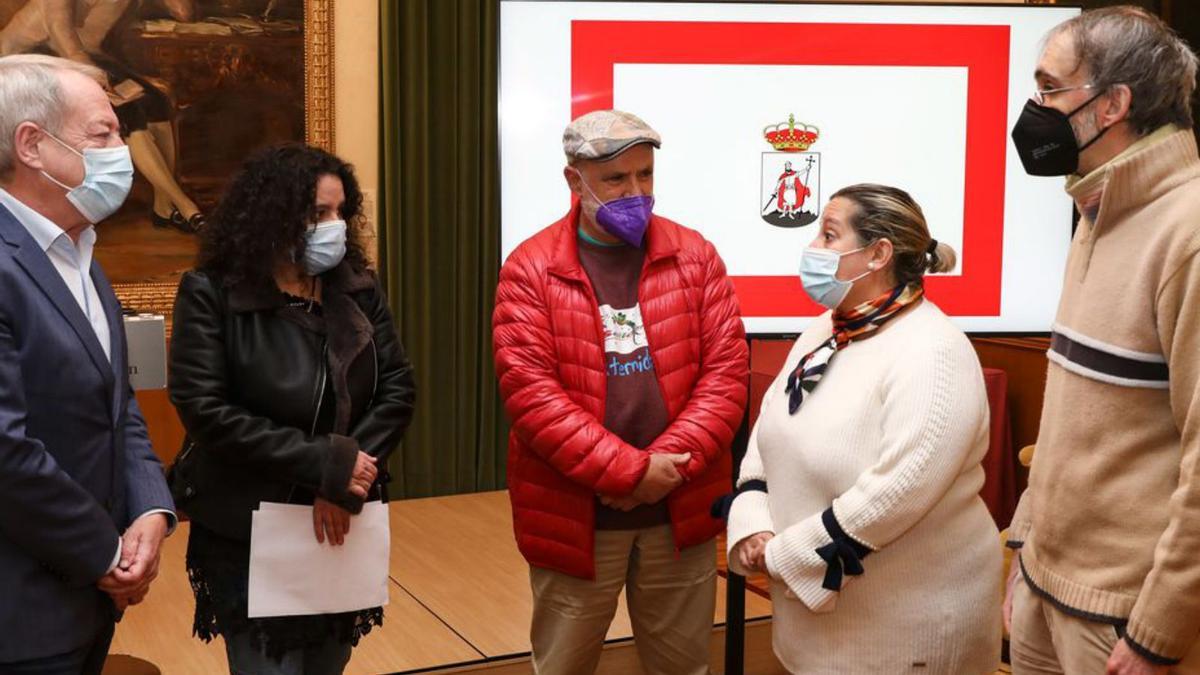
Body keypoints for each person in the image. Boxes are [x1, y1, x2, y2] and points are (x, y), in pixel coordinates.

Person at [492, 109, 749, 675]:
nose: (636, 192)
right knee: (563, 665)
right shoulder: (531, 269)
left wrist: (663, 467)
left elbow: (727, 374)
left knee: (683, 667)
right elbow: (532, 396)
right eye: (616, 179)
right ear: (573, 180)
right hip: (576, 516)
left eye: (645, 175)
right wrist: (629, 474)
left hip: (678, 510)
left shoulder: (695, 254)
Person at [726, 184, 1001, 674]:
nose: (813, 248)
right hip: (816, 629)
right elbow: (771, 427)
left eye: (829, 235)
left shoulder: (934, 352)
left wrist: (784, 554)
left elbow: (894, 495)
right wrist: (752, 523)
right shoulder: (825, 328)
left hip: (907, 635)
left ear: (878, 254)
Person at [167, 144, 416, 674]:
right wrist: (324, 467)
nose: (335, 226)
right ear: (271, 219)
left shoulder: (357, 290)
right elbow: (205, 409)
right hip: (251, 526)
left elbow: (397, 387)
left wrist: (346, 475)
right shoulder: (211, 293)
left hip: (343, 520)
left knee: (329, 661)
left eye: (340, 212)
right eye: (317, 214)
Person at [1003, 7, 1200, 674]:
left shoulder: (1187, 230)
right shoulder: (1098, 204)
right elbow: (1070, 403)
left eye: (1050, 87)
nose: (1036, 109)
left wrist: (1157, 629)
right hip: (1043, 587)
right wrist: (1026, 548)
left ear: (1114, 103)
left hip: (1121, 619)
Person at [0, 53, 175, 673]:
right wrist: (105, 555)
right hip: (19, 617)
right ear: (32, 145)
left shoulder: (82, 257)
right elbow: (6, 451)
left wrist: (152, 508)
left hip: (87, 606)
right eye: (102, 133)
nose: (121, 148)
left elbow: (117, 404)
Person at [0, 0, 207, 232]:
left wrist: (136, 80)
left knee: (155, 100)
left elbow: (183, 13)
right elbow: (70, 49)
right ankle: (183, 203)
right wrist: (115, 88)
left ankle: (164, 205)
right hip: (20, 68)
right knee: (129, 109)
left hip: (70, 61)